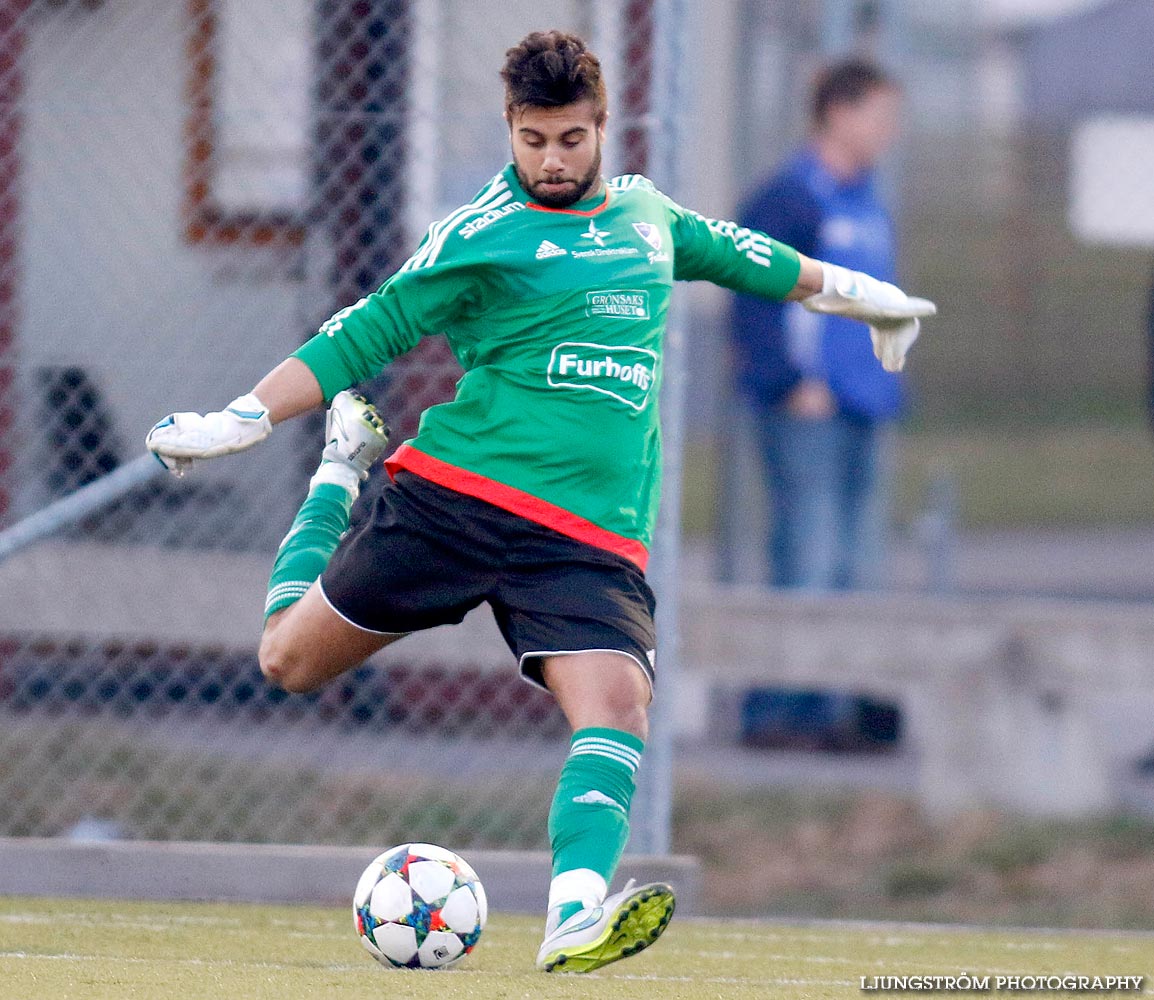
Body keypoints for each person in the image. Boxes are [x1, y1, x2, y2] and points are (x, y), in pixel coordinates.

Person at [146, 31, 926, 973]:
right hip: (457, 502)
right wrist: (245, 416)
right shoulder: (481, 234)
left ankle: (572, 917)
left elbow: (743, 255)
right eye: (532, 140)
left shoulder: (645, 216)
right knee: (288, 661)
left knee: (618, 705)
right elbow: (366, 331)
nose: (550, 160)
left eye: (569, 139)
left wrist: (862, 295)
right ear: (510, 130)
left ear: (602, 128)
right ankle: (337, 474)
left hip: (588, 539)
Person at [730, 58, 906, 590]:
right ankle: (792, 677)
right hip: (810, 409)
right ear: (837, 114)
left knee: (861, 567)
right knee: (811, 555)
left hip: (864, 405)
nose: (889, 131)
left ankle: (846, 676)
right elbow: (753, 299)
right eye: (878, 116)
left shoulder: (869, 201)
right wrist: (790, 382)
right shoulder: (792, 198)